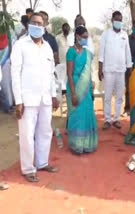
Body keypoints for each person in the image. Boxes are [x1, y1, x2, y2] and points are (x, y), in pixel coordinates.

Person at [11, 13, 59, 183]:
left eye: (40, 23)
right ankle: (28, 169)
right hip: (28, 100)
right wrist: (18, 101)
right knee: (27, 135)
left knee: (45, 132)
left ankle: (42, 162)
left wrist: (54, 95)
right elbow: (15, 73)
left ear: (44, 26)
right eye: (34, 23)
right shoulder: (20, 45)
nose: (37, 26)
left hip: (45, 98)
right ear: (28, 25)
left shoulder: (46, 47)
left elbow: (51, 73)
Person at [66, 26, 98, 155]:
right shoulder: (71, 52)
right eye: (84, 37)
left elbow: (89, 71)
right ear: (77, 36)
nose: (85, 39)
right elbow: (69, 74)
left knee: (87, 113)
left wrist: (92, 83)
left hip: (86, 88)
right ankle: (76, 144)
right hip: (75, 86)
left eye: (87, 37)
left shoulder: (87, 53)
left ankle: (87, 143)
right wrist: (73, 93)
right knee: (77, 115)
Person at [98, 11, 132, 130]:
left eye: (120, 20)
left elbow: (127, 52)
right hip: (108, 69)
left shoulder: (125, 35)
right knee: (107, 96)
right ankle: (107, 119)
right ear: (112, 20)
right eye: (116, 19)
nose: (118, 22)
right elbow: (101, 51)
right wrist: (100, 67)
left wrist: (129, 66)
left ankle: (116, 119)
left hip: (121, 70)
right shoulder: (106, 34)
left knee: (119, 96)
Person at [124, 20, 135, 116]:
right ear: (132, 28)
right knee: (128, 88)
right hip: (128, 67)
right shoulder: (127, 39)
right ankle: (127, 108)